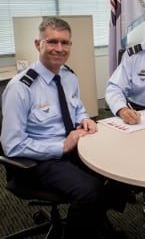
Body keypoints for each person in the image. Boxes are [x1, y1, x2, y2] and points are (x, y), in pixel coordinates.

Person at [0, 17, 129, 239]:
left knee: (121, 171)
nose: (59, 49)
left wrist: (85, 118)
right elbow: (12, 146)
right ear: (37, 44)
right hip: (38, 161)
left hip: (74, 149)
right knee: (90, 190)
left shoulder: (69, 76)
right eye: (52, 42)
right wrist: (62, 146)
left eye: (65, 43)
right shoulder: (20, 88)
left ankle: (95, 223)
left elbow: (76, 107)